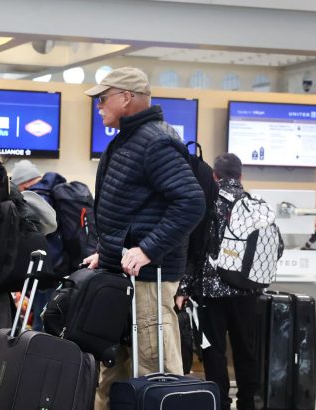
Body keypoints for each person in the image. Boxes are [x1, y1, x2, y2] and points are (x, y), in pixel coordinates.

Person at [81, 66, 205, 409]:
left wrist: (148, 249)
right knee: (116, 366)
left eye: (103, 98)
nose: (99, 106)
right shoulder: (130, 139)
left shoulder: (155, 141)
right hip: (126, 275)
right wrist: (105, 252)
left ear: (126, 97)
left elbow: (191, 201)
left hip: (150, 279)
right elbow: (132, 210)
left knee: (154, 369)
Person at [175, 153, 260, 410]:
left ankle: (219, 402)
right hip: (247, 291)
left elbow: (195, 249)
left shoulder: (208, 202)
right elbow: (273, 248)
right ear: (241, 176)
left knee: (213, 350)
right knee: (246, 350)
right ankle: (248, 402)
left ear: (214, 175)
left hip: (211, 292)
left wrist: (184, 286)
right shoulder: (255, 205)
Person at [10, 159, 66, 331]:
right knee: (54, 320)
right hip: (63, 268)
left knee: (40, 323)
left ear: (23, 184)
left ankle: (35, 355)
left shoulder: (35, 198)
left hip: (45, 270)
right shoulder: (58, 192)